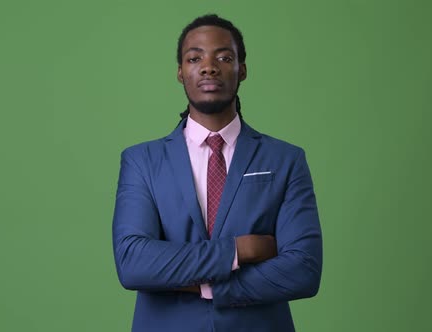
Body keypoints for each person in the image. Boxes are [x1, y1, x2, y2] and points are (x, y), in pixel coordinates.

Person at [112, 14, 322, 332]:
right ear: (181, 73)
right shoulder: (142, 161)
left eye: (224, 57)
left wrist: (209, 287)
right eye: (195, 58)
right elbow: (133, 263)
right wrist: (238, 251)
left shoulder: (285, 159)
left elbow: (303, 270)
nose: (209, 67)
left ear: (243, 69)